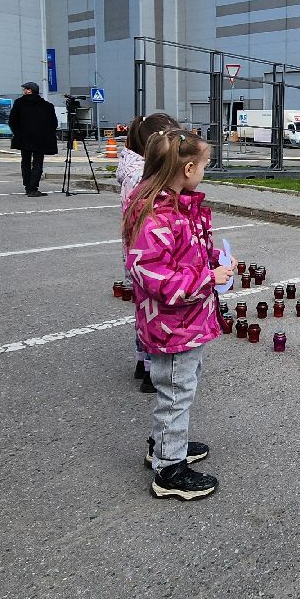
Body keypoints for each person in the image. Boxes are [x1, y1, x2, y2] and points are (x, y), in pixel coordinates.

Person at [123, 129, 231, 501]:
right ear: (187, 169)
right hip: (172, 327)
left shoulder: (179, 207)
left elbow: (188, 251)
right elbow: (159, 278)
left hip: (188, 323)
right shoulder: (156, 215)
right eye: (204, 165)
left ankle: (163, 445)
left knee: (180, 386)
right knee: (175, 393)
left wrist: (215, 260)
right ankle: (169, 470)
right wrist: (209, 278)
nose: (204, 171)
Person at [116, 112, 177, 393]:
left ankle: (142, 362)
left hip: (135, 253)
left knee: (143, 310)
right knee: (156, 314)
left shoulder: (131, 169)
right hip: (153, 255)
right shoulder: (148, 177)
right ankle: (154, 372)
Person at [7, 82, 58, 196]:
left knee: (25, 162)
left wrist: (18, 133)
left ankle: (27, 186)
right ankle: (33, 187)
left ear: (30, 90)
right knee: (38, 163)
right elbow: (53, 123)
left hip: (24, 138)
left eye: (26, 89)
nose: (24, 91)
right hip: (41, 139)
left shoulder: (19, 103)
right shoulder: (47, 106)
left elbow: (12, 121)